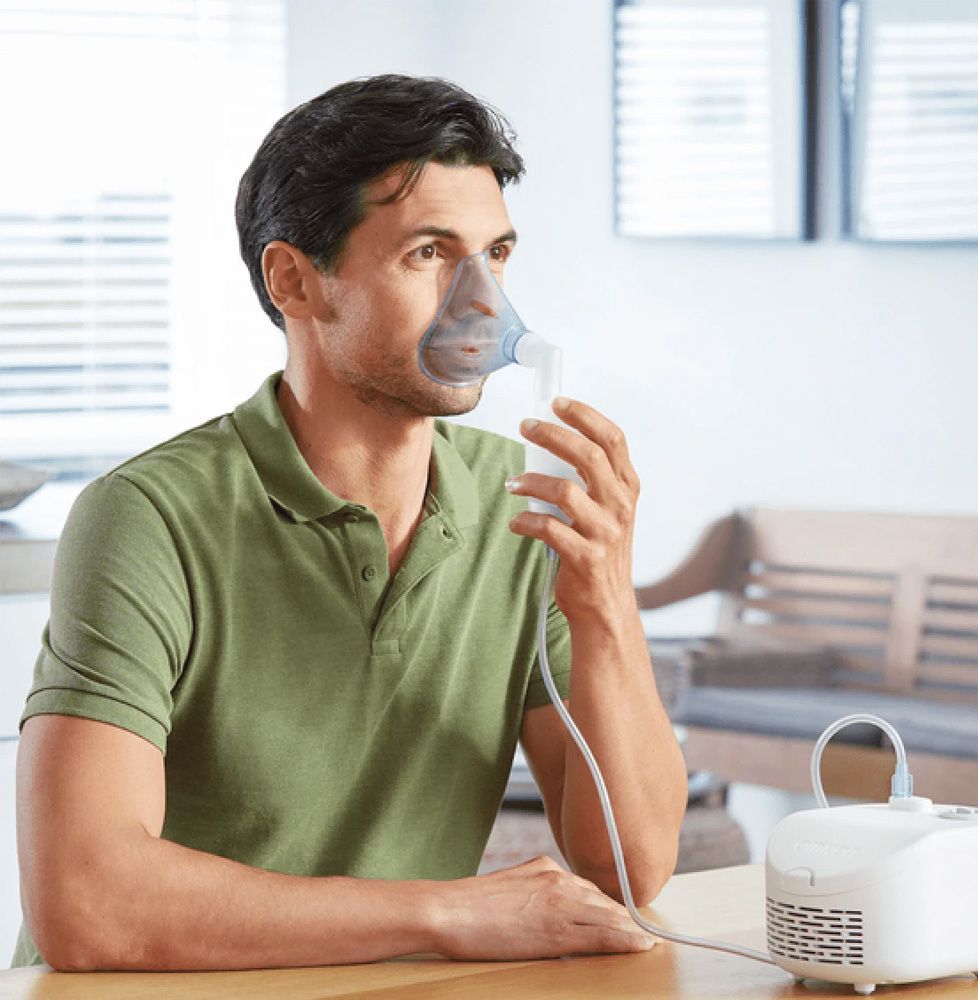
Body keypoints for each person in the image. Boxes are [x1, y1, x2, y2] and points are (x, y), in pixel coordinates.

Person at [13, 74, 687, 971]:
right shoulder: (146, 518)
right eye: (429, 254)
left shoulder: (524, 506)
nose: (484, 304)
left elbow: (628, 869)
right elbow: (87, 905)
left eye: (499, 253)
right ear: (294, 279)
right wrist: (453, 914)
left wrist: (606, 602)